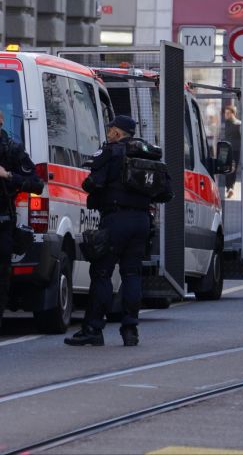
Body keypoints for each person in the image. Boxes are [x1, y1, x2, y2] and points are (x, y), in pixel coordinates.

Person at [65, 115, 153, 348]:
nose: (109, 132)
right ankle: (130, 329)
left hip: (116, 219)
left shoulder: (111, 152)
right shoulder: (146, 153)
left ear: (117, 132)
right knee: (132, 274)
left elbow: (93, 183)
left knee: (102, 273)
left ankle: (93, 329)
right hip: (142, 220)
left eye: (111, 128)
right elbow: (164, 192)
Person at [0, 107, 44, 341]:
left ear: (1, 123)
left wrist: (8, 176)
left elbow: (36, 184)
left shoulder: (12, 149)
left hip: (3, 217)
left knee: (1, 272)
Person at [223, 105, 242, 199]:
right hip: (223, 150)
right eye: (225, 113)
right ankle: (227, 187)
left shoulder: (239, 124)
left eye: (228, 113)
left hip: (235, 150)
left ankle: (231, 188)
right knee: (224, 168)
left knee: (233, 169)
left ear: (233, 113)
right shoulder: (223, 124)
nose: (226, 115)